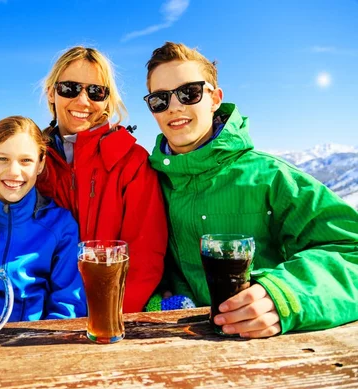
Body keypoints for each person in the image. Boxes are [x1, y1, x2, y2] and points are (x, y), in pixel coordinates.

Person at [145, 42, 358, 338]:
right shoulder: (148, 181)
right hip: (174, 351)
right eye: (160, 99)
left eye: (189, 93)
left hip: (265, 353)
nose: (175, 106)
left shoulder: (272, 178)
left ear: (214, 99)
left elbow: (351, 250)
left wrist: (286, 295)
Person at [36, 46, 168, 313]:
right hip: (44, 317)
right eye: (70, 88)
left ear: (108, 99)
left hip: (109, 317)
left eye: (96, 91)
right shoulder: (35, 161)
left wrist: (108, 317)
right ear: (51, 92)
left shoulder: (131, 162)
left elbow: (145, 257)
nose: (83, 101)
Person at [0, 116, 86, 322]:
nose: (14, 172)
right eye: (2, 159)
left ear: (41, 164)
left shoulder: (60, 226)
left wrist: (44, 346)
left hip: (38, 344)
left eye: (26, 160)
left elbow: (68, 303)